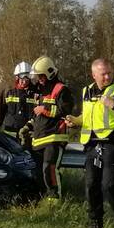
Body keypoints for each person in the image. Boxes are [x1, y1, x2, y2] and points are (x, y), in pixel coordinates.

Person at [65, 58, 114, 228]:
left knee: (110, 186)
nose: (107, 76)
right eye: (103, 74)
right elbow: (88, 116)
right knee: (91, 185)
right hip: (91, 144)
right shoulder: (86, 91)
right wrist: (75, 121)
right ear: (94, 75)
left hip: (111, 143)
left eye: (109, 73)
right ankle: (95, 224)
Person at [29, 56, 75, 200]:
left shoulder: (62, 89)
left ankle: (55, 200)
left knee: (49, 169)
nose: (39, 79)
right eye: (38, 76)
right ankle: (43, 199)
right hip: (38, 138)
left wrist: (45, 109)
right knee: (38, 173)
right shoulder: (40, 91)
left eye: (41, 76)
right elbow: (37, 115)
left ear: (49, 73)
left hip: (55, 137)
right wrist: (28, 126)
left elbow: (65, 111)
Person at [0, 61, 37, 149]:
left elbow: (37, 115)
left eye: (27, 78)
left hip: (27, 137)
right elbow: (0, 113)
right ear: (17, 77)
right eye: (22, 78)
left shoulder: (35, 93)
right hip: (9, 136)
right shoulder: (8, 92)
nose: (24, 81)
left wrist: (29, 127)